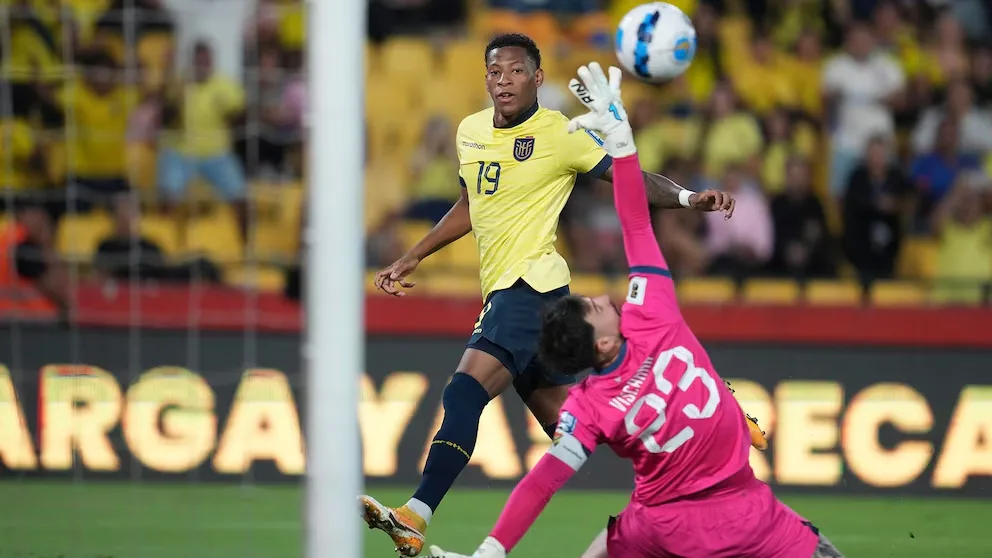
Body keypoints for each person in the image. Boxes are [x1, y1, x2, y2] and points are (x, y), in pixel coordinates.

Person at [427, 62, 841, 558]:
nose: (602, 297)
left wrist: (491, 551)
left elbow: (542, 483)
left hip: (659, 527)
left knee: (604, 547)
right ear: (602, 342)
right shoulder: (653, 315)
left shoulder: (588, 406)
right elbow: (635, 224)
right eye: (593, 308)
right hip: (745, 514)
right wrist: (621, 142)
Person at [360, 34, 738, 557]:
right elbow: (473, 203)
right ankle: (703, 427)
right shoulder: (471, 132)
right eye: (495, 72)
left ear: (537, 79)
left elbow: (624, 177)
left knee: (464, 392)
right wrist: (414, 254)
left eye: (516, 72)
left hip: (527, 287)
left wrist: (688, 197)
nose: (503, 81)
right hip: (524, 293)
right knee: (570, 428)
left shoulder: (560, 134)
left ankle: (415, 514)